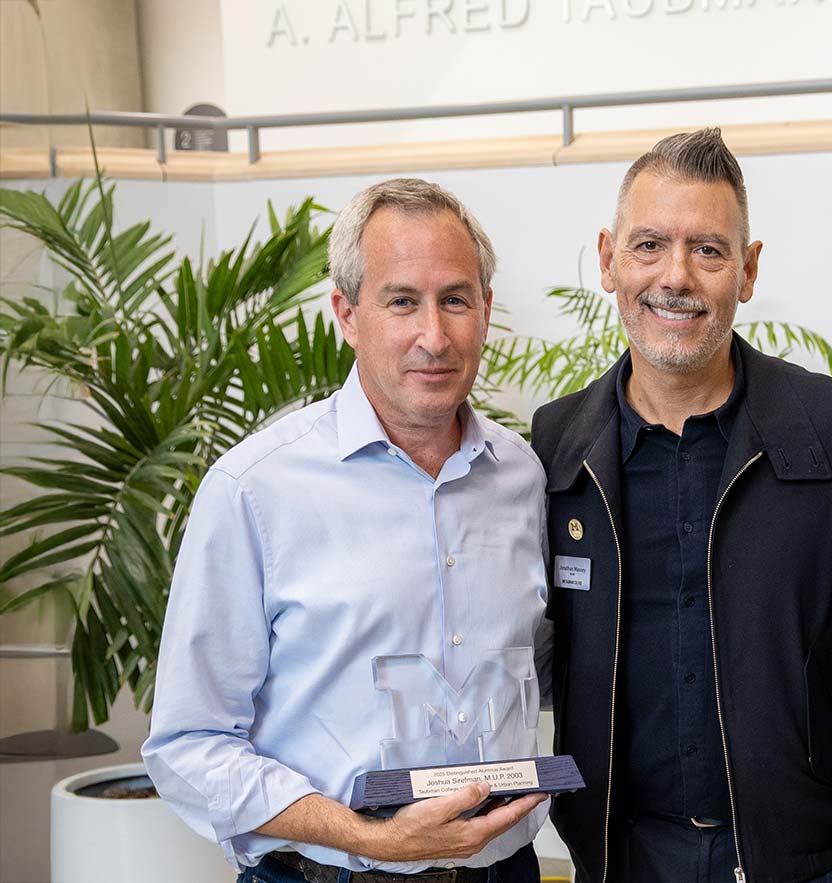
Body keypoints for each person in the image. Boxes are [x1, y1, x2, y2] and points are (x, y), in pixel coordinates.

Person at [142, 178, 551, 883]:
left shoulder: (524, 477)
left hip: (503, 871)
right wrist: (369, 836)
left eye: (456, 299)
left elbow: (542, 673)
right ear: (347, 313)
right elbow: (189, 743)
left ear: (485, 312)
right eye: (402, 301)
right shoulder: (255, 491)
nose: (435, 334)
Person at [530, 128, 832, 883]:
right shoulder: (556, 445)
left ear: (748, 270)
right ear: (607, 259)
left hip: (800, 862)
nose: (676, 276)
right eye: (649, 244)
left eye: (709, 251)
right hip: (620, 858)